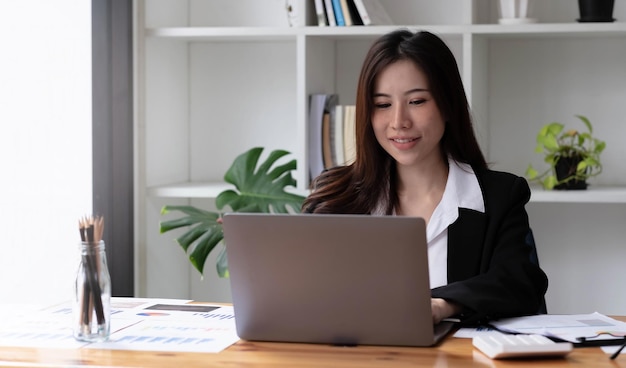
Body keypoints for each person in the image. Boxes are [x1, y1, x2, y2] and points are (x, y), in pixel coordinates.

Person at [302, 29, 548, 326]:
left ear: (447, 105)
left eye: (416, 101)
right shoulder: (333, 195)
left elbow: (521, 284)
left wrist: (444, 305)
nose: (399, 122)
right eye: (382, 105)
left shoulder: (499, 196)